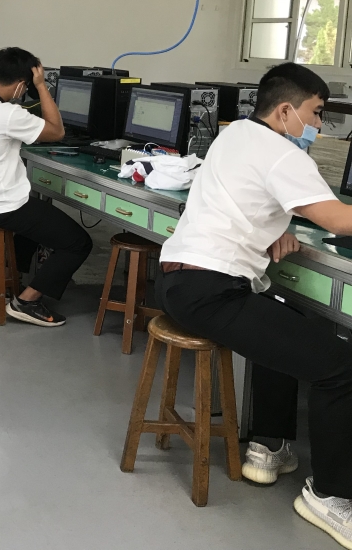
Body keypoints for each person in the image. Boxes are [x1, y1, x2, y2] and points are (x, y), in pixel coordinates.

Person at [157, 62, 352, 548]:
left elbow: (244, 198)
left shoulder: (234, 134)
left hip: (178, 282)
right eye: (316, 113)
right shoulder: (283, 153)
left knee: (282, 316)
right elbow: (338, 220)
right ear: (286, 111)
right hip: (211, 291)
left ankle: (269, 445)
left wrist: (274, 228)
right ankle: (329, 495)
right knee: (341, 367)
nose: (319, 125)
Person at [0, 47, 92, 327]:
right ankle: (26, 302)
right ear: (20, 85)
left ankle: (9, 280)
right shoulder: (8, 115)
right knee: (78, 243)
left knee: (39, 218)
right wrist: (41, 85)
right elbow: (57, 131)